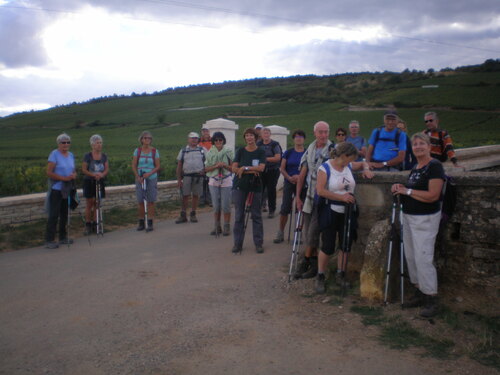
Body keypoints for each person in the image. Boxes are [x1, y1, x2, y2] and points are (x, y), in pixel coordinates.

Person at [391, 133, 445, 318]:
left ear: (429, 147)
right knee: (412, 256)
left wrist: (408, 190)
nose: (418, 146)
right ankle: (419, 292)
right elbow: (412, 191)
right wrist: (401, 188)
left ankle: (431, 297)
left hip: (426, 219)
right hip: (410, 217)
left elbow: (433, 195)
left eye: (422, 143)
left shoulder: (435, 166)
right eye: (415, 144)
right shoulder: (416, 167)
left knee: (423, 257)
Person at [315, 142, 374, 293]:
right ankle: (320, 275)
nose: (351, 161)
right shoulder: (325, 168)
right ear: (343, 155)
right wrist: (340, 197)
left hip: (348, 211)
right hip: (331, 209)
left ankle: (341, 274)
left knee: (345, 244)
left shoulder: (348, 165)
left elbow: (362, 164)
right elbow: (320, 191)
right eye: (350, 158)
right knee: (327, 245)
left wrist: (366, 169)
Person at [295, 121, 334, 278]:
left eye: (326, 132)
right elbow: (302, 174)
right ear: (315, 133)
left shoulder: (333, 150)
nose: (324, 135)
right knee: (308, 232)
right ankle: (311, 263)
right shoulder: (309, 150)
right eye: (321, 132)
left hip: (324, 198)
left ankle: (306, 261)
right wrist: (298, 197)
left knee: (313, 232)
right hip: (309, 197)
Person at [232, 128, 266, 253]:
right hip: (239, 186)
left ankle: (258, 243)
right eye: (247, 135)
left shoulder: (261, 151)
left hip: (255, 186)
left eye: (251, 135)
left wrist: (244, 168)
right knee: (239, 215)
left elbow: (261, 168)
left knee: (256, 215)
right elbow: (234, 168)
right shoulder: (240, 151)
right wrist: (252, 170)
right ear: (245, 138)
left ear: (255, 137)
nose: (249, 138)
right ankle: (237, 243)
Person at [273, 129, 306, 243]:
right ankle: (280, 232)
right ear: (293, 139)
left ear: (304, 139)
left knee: (300, 208)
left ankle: (298, 233)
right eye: (296, 136)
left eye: (301, 136)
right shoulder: (288, 152)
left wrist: (300, 177)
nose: (298, 138)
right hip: (289, 182)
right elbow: (282, 168)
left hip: (302, 183)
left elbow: (309, 169)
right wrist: (289, 178)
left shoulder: (307, 153)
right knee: (285, 207)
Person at [45, 133, 77, 249]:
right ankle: (49, 239)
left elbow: (73, 169)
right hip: (57, 189)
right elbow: (49, 172)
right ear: (58, 143)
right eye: (63, 142)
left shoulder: (71, 155)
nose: (66, 144)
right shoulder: (54, 154)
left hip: (67, 188)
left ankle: (63, 237)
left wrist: (74, 175)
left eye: (68, 142)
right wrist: (64, 178)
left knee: (65, 213)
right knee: (54, 214)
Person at [204, 131, 234, 236]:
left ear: (223, 140)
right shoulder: (209, 153)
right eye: (216, 140)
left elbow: (233, 168)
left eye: (220, 139)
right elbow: (206, 169)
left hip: (226, 179)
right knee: (216, 206)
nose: (218, 141)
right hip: (213, 180)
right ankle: (217, 226)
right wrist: (216, 166)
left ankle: (226, 226)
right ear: (213, 141)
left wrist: (224, 166)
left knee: (226, 205)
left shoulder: (229, 152)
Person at [132, 131, 161, 231]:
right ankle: (141, 222)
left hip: (151, 178)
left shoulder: (154, 151)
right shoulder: (137, 151)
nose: (147, 140)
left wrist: (149, 173)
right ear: (141, 139)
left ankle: (150, 222)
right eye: (145, 138)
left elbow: (157, 166)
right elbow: (134, 165)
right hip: (140, 178)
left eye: (149, 138)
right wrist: (138, 177)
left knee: (150, 201)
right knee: (140, 200)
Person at [176, 132, 206, 224]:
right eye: (192, 138)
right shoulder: (184, 150)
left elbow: (208, 162)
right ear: (188, 139)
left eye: (196, 138)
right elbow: (179, 165)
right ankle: (183, 215)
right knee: (185, 195)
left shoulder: (202, 150)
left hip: (198, 176)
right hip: (187, 176)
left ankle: (193, 214)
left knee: (196, 196)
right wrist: (179, 179)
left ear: (198, 139)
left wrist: (205, 171)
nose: (194, 140)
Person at [82, 134, 109, 234]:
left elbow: (106, 169)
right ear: (92, 144)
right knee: (89, 203)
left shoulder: (104, 156)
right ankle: (88, 225)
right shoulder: (87, 156)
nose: (99, 145)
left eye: (100, 143)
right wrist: (93, 175)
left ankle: (96, 223)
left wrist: (102, 175)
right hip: (89, 181)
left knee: (97, 203)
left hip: (100, 181)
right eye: (97, 143)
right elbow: (84, 170)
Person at [256, 127, 282, 218]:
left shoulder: (275, 144)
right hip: (261, 171)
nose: (266, 135)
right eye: (264, 133)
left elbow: (278, 157)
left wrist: (265, 159)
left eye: (267, 133)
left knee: (271, 190)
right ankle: (257, 210)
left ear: (270, 134)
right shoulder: (258, 144)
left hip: (273, 170)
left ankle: (272, 210)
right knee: (259, 190)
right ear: (261, 135)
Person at [198, 126, 213, 206]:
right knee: (202, 182)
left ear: (209, 132)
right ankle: (202, 200)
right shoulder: (198, 141)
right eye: (204, 131)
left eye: (206, 131)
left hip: (211, 164)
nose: (205, 133)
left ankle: (210, 200)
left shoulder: (213, 141)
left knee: (210, 182)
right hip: (201, 163)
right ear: (202, 132)